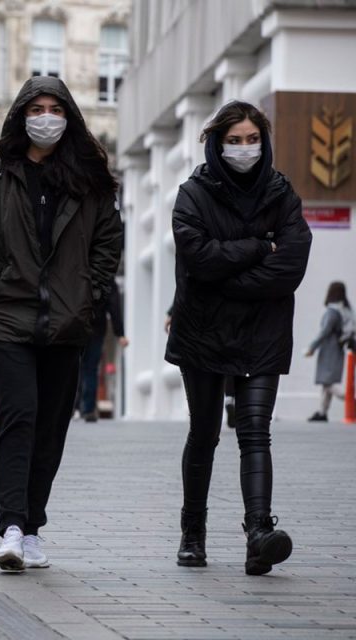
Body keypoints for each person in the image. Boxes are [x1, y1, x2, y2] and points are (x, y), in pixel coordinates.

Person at [0, 76, 122, 572]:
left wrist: (89, 297)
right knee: (17, 417)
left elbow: (109, 244)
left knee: (49, 429)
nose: (46, 117)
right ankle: (12, 528)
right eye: (37, 108)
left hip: (67, 323)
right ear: (22, 116)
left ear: (69, 117)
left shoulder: (91, 182)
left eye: (55, 108)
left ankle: (34, 525)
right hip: (7, 318)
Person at [165, 100, 312, 575]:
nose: (245, 148)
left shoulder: (282, 194)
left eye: (253, 139)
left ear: (264, 142)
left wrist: (229, 276)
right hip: (203, 332)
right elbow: (198, 257)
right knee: (204, 433)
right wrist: (255, 248)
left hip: (263, 333)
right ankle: (193, 532)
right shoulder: (193, 194)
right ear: (216, 143)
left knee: (254, 430)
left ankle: (258, 534)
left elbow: (289, 265)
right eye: (235, 140)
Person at [78, 282, 128, 422]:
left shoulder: (78, 270)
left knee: (77, 367)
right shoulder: (107, 278)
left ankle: (76, 407)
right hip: (96, 328)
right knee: (91, 369)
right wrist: (120, 334)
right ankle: (87, 409)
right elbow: (114, 308)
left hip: (76, 326)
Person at [305, 281, 353, 421]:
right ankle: (322, 412)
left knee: (327, 382)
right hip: (338, 350)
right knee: (327, 383)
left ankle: (351, 400)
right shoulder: (345, 310)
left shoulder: (332, 312)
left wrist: (311, 347)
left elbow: (324, 332)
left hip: (328, 351)